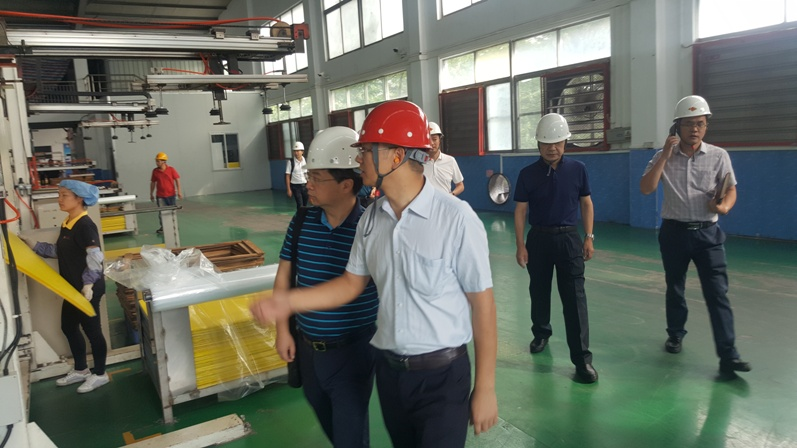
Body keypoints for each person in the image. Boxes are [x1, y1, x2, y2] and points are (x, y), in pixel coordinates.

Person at [252, 100, 498, 447]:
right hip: (390, 373)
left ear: (396, 156)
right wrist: (289, 302)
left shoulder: (456, 219)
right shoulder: (371, 220)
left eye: (366, 150)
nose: (358, 160)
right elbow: (350, 284)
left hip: (441, 377)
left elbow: (483, 305)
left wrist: (485, 387)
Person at [274, 127, 379, 447]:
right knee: (328, 422)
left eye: (317, 178)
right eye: (309, 176)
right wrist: (283, 330)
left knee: (350, 434)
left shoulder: (369, 228)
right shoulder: (301, 222)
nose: (309, 184)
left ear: (346, 184)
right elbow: (283, 277)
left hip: (353, 351)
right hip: (307, 349)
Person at [640, 95, 751, 375]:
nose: (695, 129)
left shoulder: (718, 155)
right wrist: (665, 155)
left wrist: (724, 206)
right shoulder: (662, 156)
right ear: (677, 126)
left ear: (706, 126)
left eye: (700, 124)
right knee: (675, 287)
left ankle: (729, 355)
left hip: (708, 235)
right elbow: (646, 188)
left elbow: (731, 188)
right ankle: (675, 334)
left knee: (717, 293)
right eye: (689, 124)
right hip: (674, 233)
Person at [513, 113, 598, 384]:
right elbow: (521, 210)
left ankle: (582, 360)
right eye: (547, 143)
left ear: (565, 142)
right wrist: (520, 245)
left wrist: (589, 237)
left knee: (575, 298)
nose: (552, 148)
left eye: (558, 142)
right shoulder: (527, 174)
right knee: (538, 290)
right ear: (538, 144)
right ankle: (541, 333)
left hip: (569, 239)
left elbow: (586, 203)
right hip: (538, 239)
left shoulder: (578, 169)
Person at [23, 180, 108, 393]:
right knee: (68, 327)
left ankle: (100, 374)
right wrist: (34, 245)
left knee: (92, 331)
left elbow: (95, 258)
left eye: (64, 195)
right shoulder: (67, 223)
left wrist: (88, 285)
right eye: (59, 195)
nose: (59, 199)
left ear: (79, 199)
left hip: (87, 290)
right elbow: (61, 251)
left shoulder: (85, 225)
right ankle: (81, 369)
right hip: (72, 288)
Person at [423, 122, 465, 196]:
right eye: (428, 140)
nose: (432, 143)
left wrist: (451, 195)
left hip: (444, 202)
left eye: (434, 139)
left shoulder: (450, 161)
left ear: (440, 140)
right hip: (425, 202)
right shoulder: (418, 162)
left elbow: (460, 185)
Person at [149, 151, 183, 234]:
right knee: (162, 212)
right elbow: (153, 182)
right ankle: (163, 227)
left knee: (172, 211)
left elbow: (177, 180)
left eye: (158, 161)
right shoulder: (155, 171)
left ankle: (174, 226)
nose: (156, 163)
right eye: (156, 161)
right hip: (160, 196)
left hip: (171, 195)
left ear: (163, 161)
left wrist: (179, 191)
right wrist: (151, 193)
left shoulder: (171, 170)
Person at [285, 141, 309, 210]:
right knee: (300, 204)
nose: (296, 153)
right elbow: (287, 175)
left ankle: (303, 215)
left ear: (302, 152)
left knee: (305, 204)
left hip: (305, 186)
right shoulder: (290, 162)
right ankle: (300, 216)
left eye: (298, 151)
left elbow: (308, 174)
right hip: (296, 187)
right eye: (295, 151)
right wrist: (288, 189)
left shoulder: (306, 161)